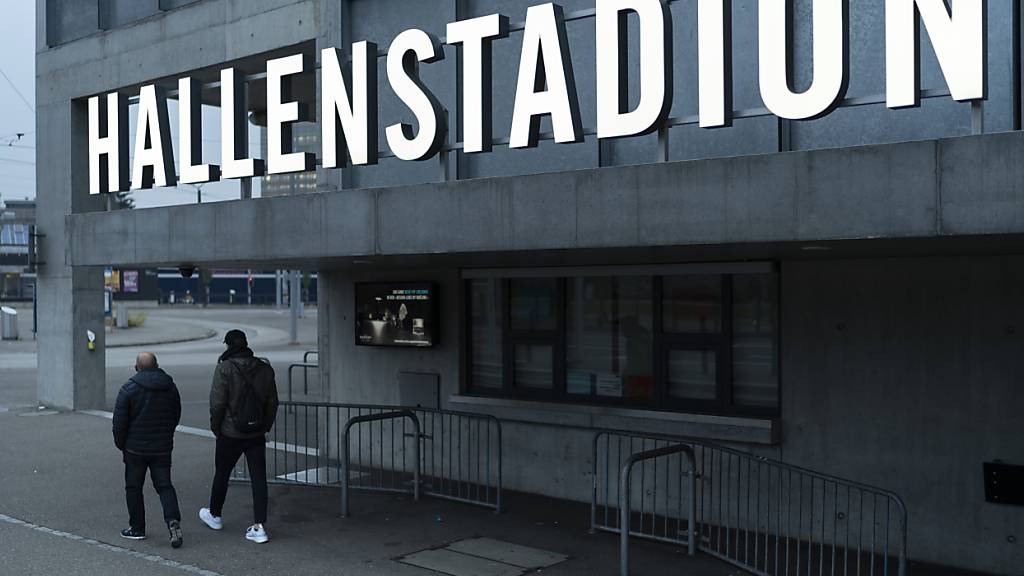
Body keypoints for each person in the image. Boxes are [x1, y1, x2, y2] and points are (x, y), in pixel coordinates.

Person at [200, 329, 279, 544]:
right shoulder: (264, 368)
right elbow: (272, 402)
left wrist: (216, 428)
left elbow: (217, 403)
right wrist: (265, 426)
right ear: (245, 344)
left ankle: (215, 515)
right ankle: (259, 527)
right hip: (256, 433)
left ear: (228, 345)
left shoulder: (224, 368)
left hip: (230, 433)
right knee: (259, 478)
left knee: (222, 474)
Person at [112, 352, 183, 548]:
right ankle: (172, 521)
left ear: (136, 367)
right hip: (162, 447)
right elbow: (176, 414)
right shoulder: (170, 387)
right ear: (157, 365)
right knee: (165, 486)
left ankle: (137, 528)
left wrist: (122, 444)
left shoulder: (128, 389)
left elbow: (119, 423)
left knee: (134, 488)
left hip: (135, 449)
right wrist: (166, 434)